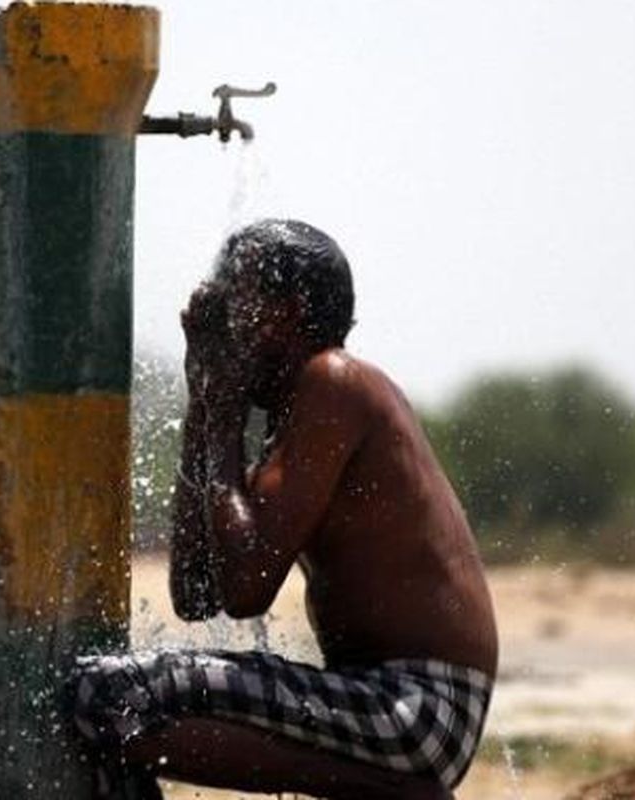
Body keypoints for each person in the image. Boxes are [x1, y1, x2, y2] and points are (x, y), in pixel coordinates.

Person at [70, 220, 499, 799]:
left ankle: (395, 791)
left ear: (284, 315)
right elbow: (195, 594)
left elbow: (247, 590)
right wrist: (204, 405)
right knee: (110, 698)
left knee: (107, 694)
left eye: (232, 297)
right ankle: (387, 786)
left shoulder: (335, 382)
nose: (216, 317)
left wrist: (221, 415)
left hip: (416, 707)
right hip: (380, 701)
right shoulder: (291, 420)